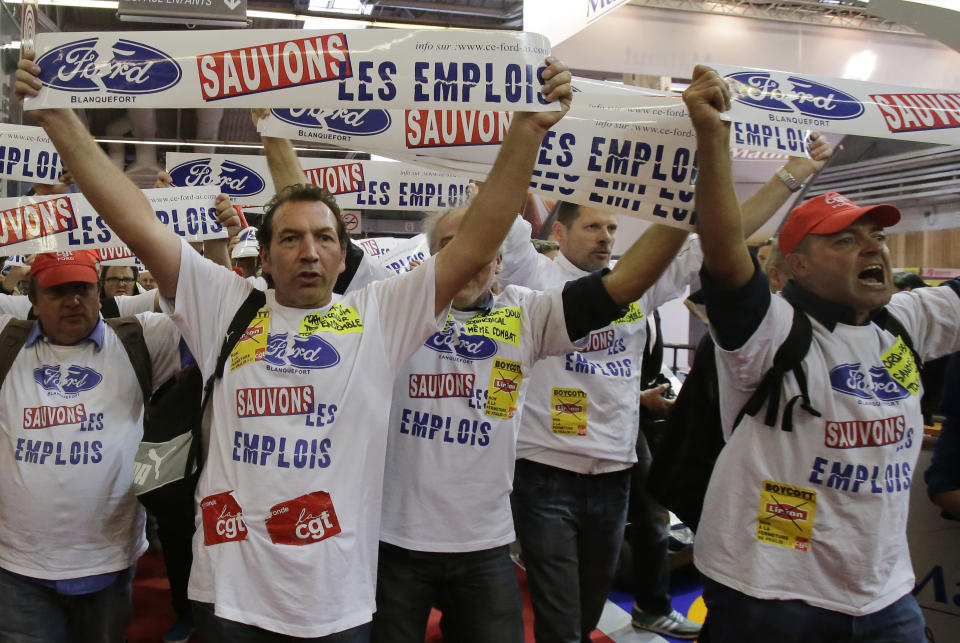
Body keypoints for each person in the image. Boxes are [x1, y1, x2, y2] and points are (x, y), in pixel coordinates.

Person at [17, 53, 573, 640]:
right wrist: (59, 119)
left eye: (323, 238)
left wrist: (527, 130)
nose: (308, 251)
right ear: (267, 252)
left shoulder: (381, 314)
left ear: (342, 252)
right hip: (230, 594)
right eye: (290, 237)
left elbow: (480, 235)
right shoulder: (226, 306)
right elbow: (136, 223)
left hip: (337, 602)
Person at [497, 136, 832, 642]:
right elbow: (502, 213)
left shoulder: (636, 281)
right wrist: (527, 136)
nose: (605, 237)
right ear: (560, 232)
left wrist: (793, 173)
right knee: (561, 619)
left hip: (615, 469)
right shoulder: (533, 275)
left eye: (611, 228)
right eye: (592, 227)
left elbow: (727, 236)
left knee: (587, 614)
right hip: (545, 471)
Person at [683, 64, 960, 642]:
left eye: (876, 236)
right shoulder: (771, 329)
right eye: (845, 239)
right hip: (770, 591)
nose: (872, 247)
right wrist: (712, 139)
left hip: (883, 594)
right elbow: (724, 250)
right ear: (796, 266)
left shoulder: (907, 321)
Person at [374, 206, 697, 642]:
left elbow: (623, 286)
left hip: (487, 544)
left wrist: (681, 200)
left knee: (574, 619)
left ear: (500, 262)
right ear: (429, 259)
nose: (468, 258)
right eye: (453, 247)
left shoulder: (524, 312)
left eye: (482, 247)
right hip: (400, 542)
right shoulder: (391, 311)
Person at [0, 250, 182, 642]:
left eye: (82, 289)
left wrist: (216, 237)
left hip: (109, 561)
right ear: (32, 298)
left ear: (98, 292)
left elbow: (205, 305)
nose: (73, 301)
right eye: (57, 291)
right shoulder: (5, 342)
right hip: (16, 567)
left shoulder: (143, 339)